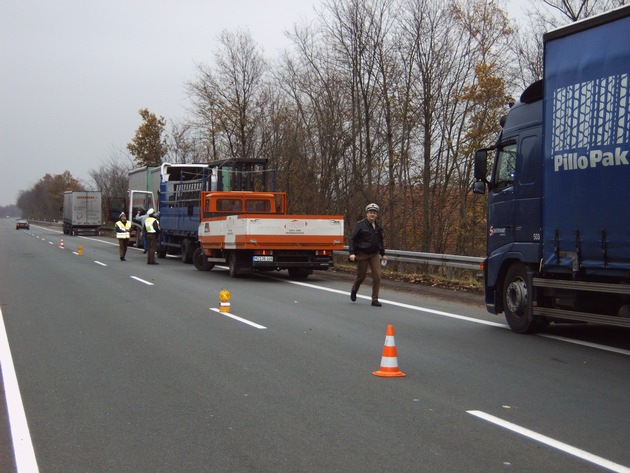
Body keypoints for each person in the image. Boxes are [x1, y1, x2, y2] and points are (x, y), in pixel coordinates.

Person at [348, 203, 387, 307]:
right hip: (362, 254)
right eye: (370, 213)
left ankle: (375, 299)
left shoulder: (378, 227)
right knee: (361, 276)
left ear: (376, 215)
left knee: (377, 276)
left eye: (374, 213)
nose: (372, 215)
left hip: (374, 254)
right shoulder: (360, 225)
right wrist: (351, 253)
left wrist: (383, 254)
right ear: (367, 214)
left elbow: (380, 242)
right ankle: (354, 289)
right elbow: (352, 240)